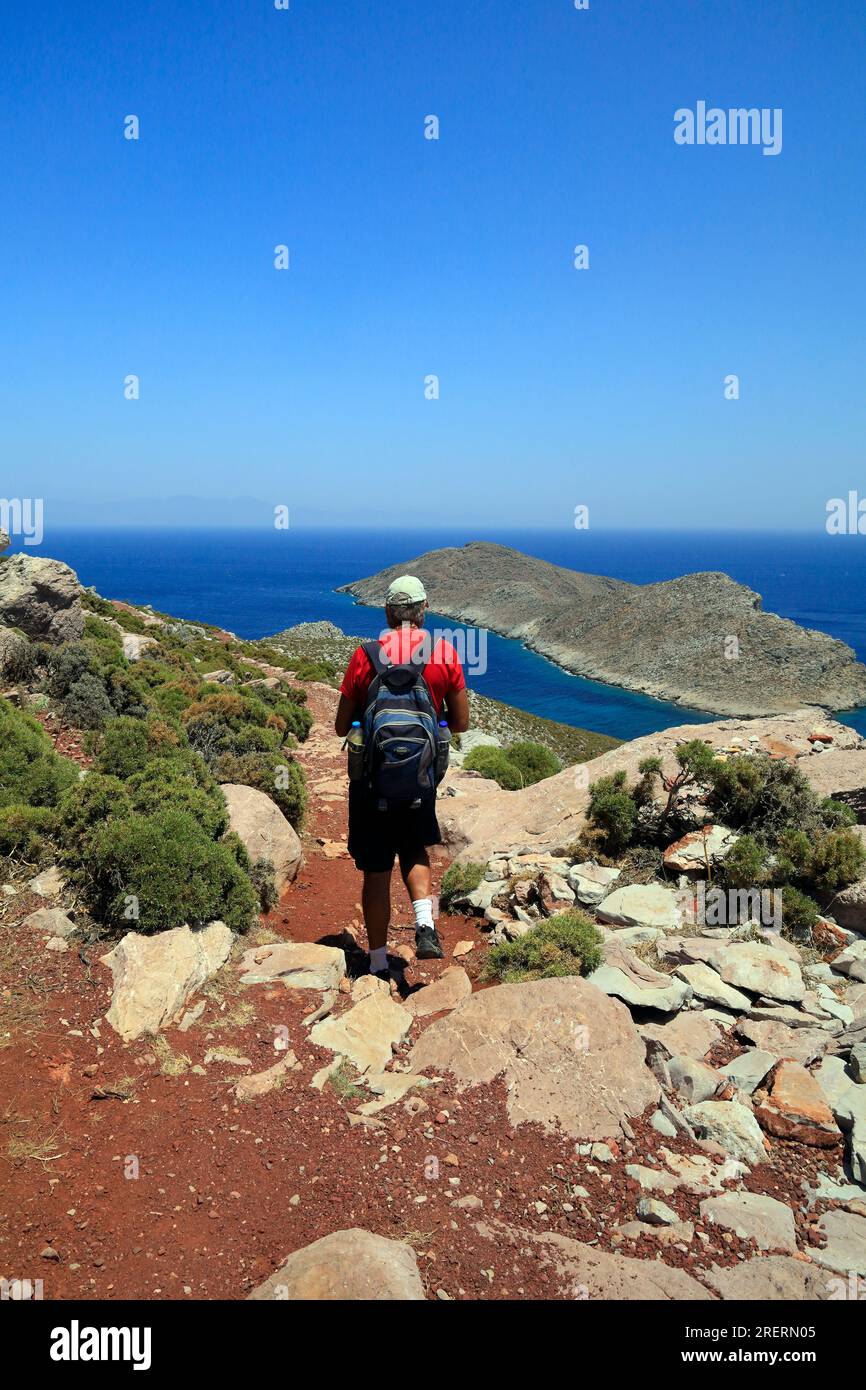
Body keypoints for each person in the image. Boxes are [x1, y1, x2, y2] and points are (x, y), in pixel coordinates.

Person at [335, 574, 470, 978]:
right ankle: (425, 926)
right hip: (419, 781)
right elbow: (460, 722)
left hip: (371, 784)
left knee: (376, 870)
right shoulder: (443, 653)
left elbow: (342, 726)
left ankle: (376, 964)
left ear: (389, 612)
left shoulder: (366, 655)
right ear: (424, 611)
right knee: (414, 849)